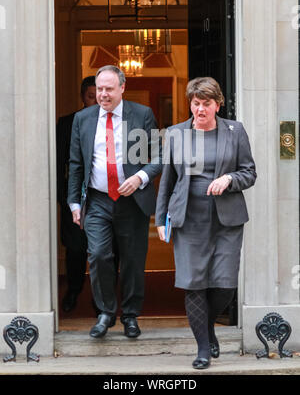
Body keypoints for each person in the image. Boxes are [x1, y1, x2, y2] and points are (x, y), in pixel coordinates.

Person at [155, 77, 256, 370]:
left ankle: (207, 326)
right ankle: (202, 348)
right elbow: (167, 180)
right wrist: (161, 218)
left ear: (218, 104)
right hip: (189, 219)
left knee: (224, 284)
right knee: (194, 284)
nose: (200, 109)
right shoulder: (176, 134)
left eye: (206, 104)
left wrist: (229, 179)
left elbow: (249, 172)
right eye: (196, 103)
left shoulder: (235, 132)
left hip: (227, 220)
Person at [68, 65, 162, 338]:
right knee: (98, 255)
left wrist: (141, 177)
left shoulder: (142, 115)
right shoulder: (83, 119)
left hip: (132, 200)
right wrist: (75, 203)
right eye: (99, 89)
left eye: (109, 88)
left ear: (122, 88)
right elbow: (76, 163)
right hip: (97, 200)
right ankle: (106, 312)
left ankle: (130, 315)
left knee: (132, 260)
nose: (103, 94)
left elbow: (157, 154)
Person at [57, 76, 97, 313]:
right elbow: (59, 162)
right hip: (75, 196)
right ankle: (73, 290)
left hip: (107, 196)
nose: (94, 101)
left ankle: (102, 299)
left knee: (107, 251)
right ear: (83, 96)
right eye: (90, 96)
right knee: (75, 248)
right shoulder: (66, 123)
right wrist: (64, 198)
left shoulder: (115, 122)